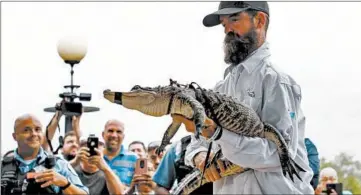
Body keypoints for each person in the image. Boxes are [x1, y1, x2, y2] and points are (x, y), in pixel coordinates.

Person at [172, 1, 314, 194]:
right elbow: (195, 143)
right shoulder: (221, 88)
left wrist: (219, 134)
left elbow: (278, 153)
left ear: (260, 20)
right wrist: (199, 155)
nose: (227, 30)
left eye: (235, 19)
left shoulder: (276, 81)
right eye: (224, 24)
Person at [1, 113, 88, 195]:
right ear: (15, 136)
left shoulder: (60, 165)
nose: (34, 134)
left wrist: (65, 183)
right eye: (26, 130)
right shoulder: (2, 166)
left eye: (37, 129)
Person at [101, 119, 138, 187]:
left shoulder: (135, 159)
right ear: (103, 134)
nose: (114, 135)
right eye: (110, 131)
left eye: (119, 132)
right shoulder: (96, 157)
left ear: (123, 136)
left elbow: (140, 187)